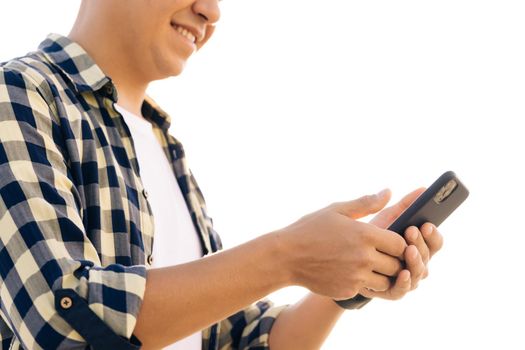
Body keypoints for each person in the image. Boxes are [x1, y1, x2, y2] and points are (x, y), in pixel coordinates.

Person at [0, 0, 443, 349]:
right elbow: (59, 318)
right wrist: (287, 256)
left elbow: (235, 338)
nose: (212, 12)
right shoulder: (19, 95)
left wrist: (350, 272)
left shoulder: (166, 150)